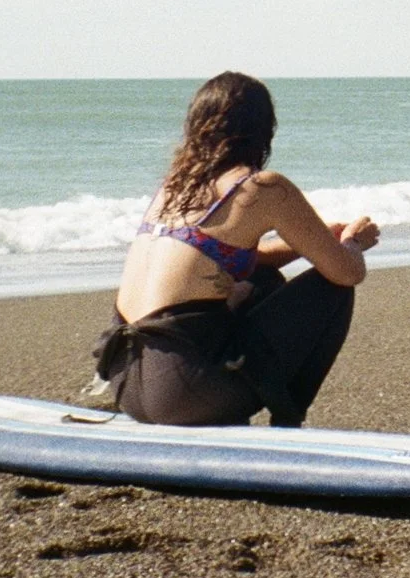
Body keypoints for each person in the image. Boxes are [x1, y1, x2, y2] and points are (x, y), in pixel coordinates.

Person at [92, 72, 379, 427]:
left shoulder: (173, 188)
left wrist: (307, 244)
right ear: (263, 130)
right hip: (185, 395)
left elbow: (221, 259)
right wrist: (353, 242)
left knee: (261, 279)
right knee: (334, 288)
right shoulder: (261, 187)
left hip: (127, 385)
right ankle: (289, 420)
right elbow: (348, 271)